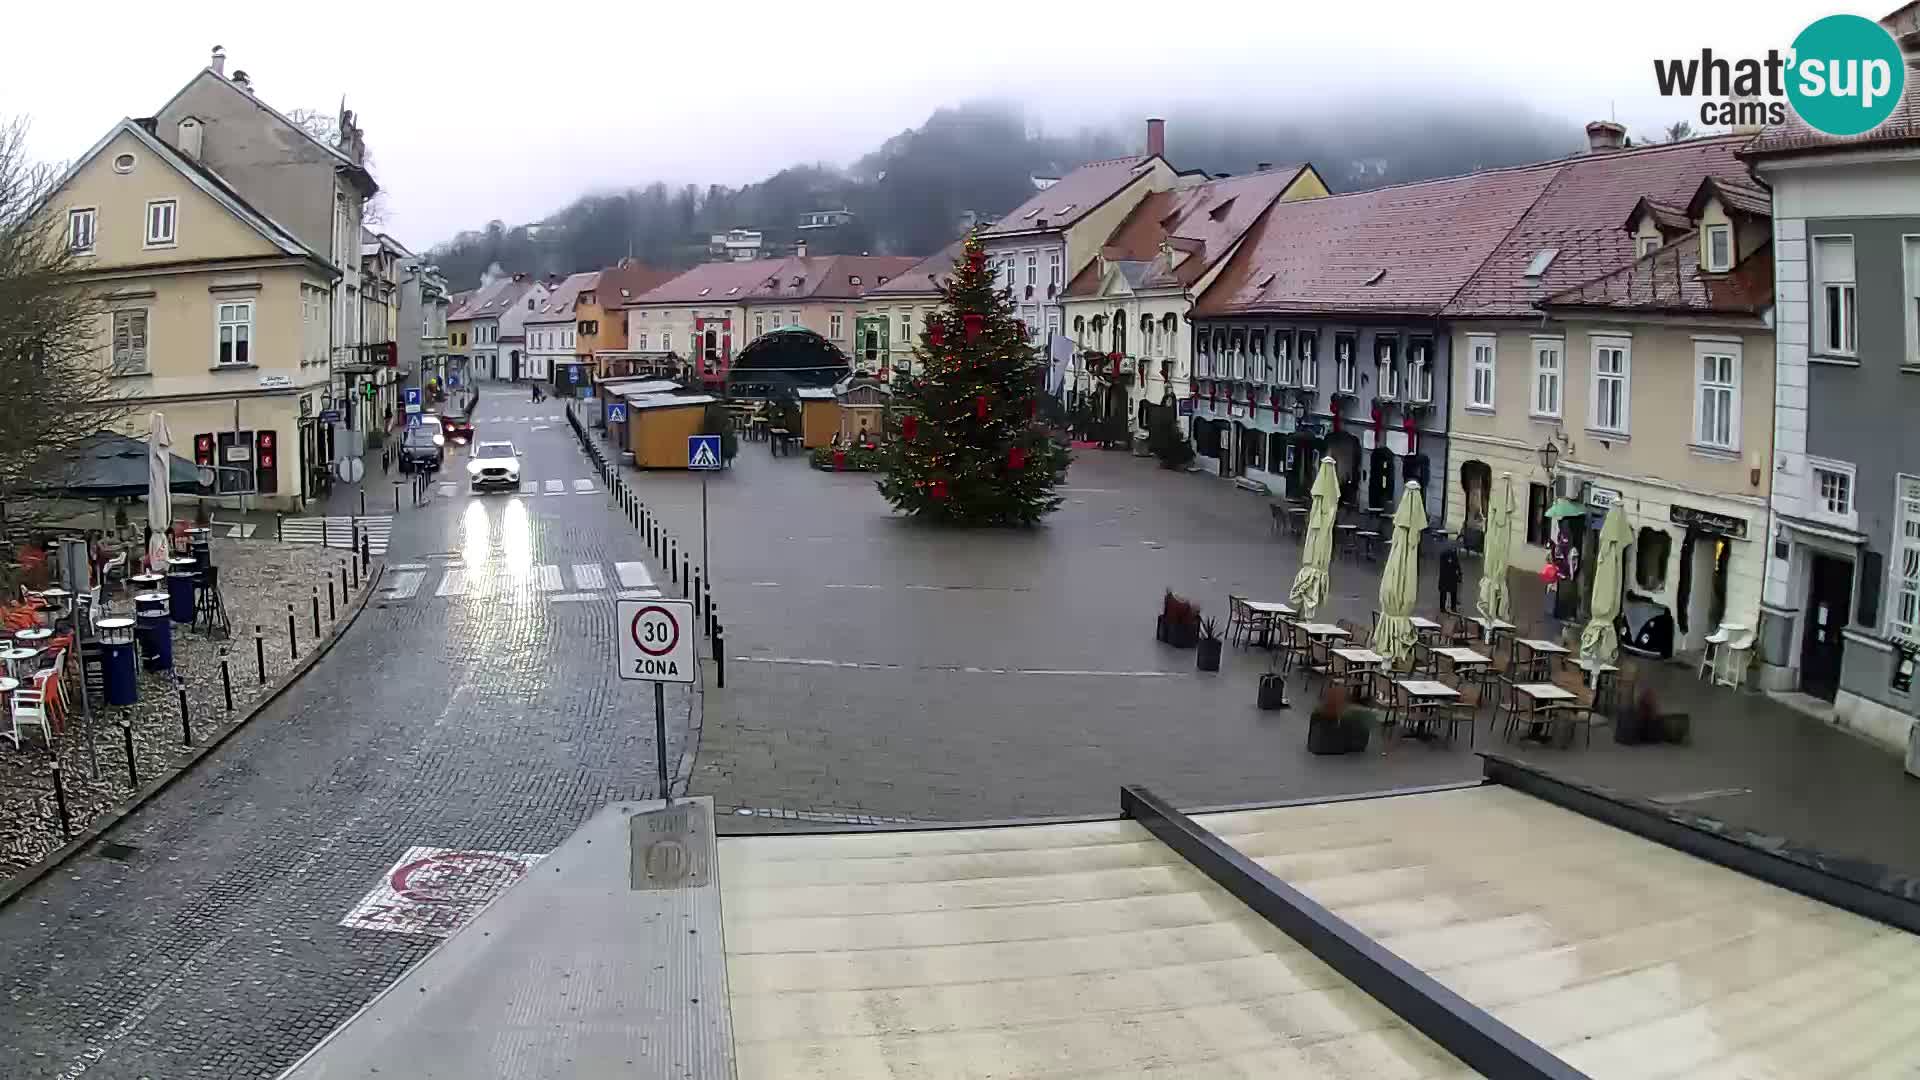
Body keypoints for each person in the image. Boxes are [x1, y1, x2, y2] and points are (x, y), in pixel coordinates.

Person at [1437, 542, 1462, 614]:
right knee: (1452, 592)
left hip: (1445, 576)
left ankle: (1443, 608)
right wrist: (1459, 574)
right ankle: (1453, 608)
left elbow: (1457, 565)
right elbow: (1457, 565)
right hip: (1451, 576)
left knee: (1444, 592)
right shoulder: (1452, 554)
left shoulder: (1443, 554)